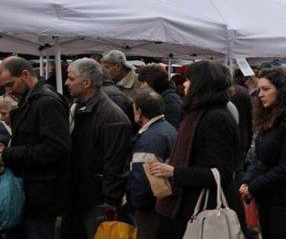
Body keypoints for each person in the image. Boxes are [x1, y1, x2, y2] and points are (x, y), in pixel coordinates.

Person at [147, 61, 241, 239]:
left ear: (201, 83)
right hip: (187, 206)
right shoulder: (196, 113)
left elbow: (222, 172)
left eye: (189, 79)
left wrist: (175, 172)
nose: (184, 84)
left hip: (203, 210)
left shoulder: (216, 118)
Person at [0, 57, 71, 239]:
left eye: (10, 84)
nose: (8, 91)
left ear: (25, 74)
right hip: (29, 194)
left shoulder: (47, 102)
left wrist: (8, 154)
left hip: (42, 198)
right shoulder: (30, 100)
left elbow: (56, 148)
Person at [66, 58, 133, 239]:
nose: (66, 83)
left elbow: (115, 164)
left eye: (71, 79)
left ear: (86, 83)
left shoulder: (111, 117)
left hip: (96, 201)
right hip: (79, 196)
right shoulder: (79, 108)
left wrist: (110, 202)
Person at [239, 69, 286, 239]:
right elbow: (259, 156)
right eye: (259, 90)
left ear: (280, 90)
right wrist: (247, 181)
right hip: (266, 194)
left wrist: (253, 186)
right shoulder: (269, 117)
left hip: (284, 198)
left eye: (266, 89)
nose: (261, 95)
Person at [129, 89, 177, 239]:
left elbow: (142, 179)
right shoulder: (169, 129)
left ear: (139, 111)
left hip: (150, 208)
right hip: (165, 204)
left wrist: (137, 204)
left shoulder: (149, 139)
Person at [137, 64, 183, 129]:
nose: (141, 87)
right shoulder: (163, 98)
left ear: (153, 81)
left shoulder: (169, 101)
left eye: (143, 83)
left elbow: (170, 129)